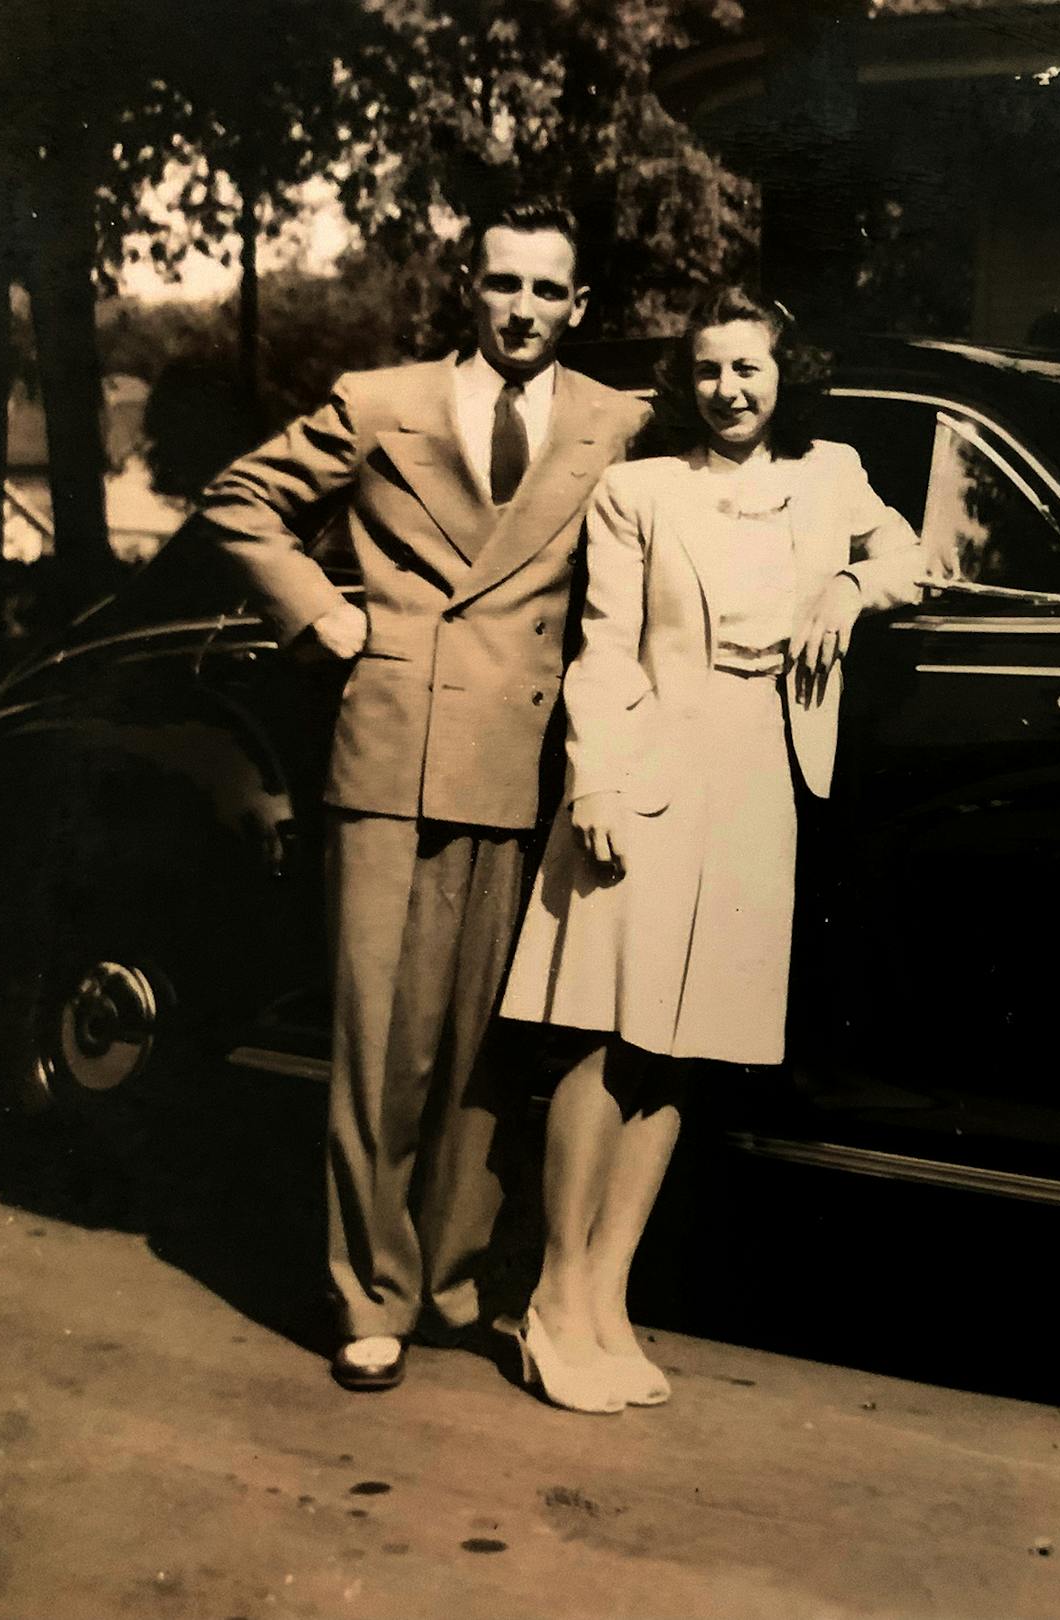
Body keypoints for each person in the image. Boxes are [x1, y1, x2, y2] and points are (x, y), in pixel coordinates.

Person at [197, 199, 648, 1392]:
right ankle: (369, 1294)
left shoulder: (617, 422)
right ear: (469, 285)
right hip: (393, 749)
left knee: (480, 1046)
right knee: (376, 1041)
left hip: (523, 757)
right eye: (503, 284)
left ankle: (447, 1279)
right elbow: (240, 502)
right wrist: (327, 614)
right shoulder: (381, 399)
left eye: (549, 292)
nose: (524, 310)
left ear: (579, 306)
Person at [498, 287, 923, 1412]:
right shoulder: (639, 490)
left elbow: (917, 556)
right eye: (710, 371)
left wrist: (845, 581)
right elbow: (605, 649)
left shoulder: (829, 475)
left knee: (683, 1047)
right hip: (647, 769)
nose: (730, 390)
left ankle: (606, 1299)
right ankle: (549, 1302)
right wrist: (593, 775)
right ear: (683, 383)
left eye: (750, 368)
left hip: (758, 780)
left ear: (788, 374)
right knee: (607, 1036)